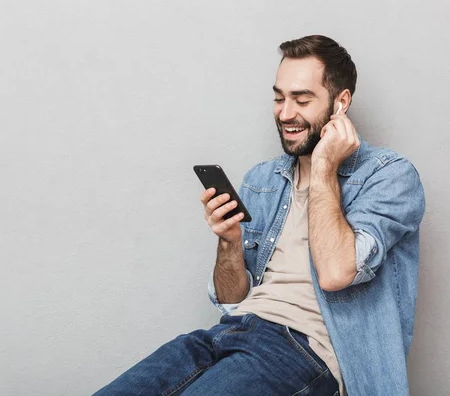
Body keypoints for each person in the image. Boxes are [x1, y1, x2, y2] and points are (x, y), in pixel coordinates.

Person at [94, 35, 425, 396]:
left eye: (301, 100)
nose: (285, 114)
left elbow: (335, 273)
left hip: (303, 349)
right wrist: (229, 243)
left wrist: (324, 167)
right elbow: (232, 299)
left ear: (340, 103)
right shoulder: (262, 180)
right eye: (279, 98)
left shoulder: (389, 176)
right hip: (229, 332)